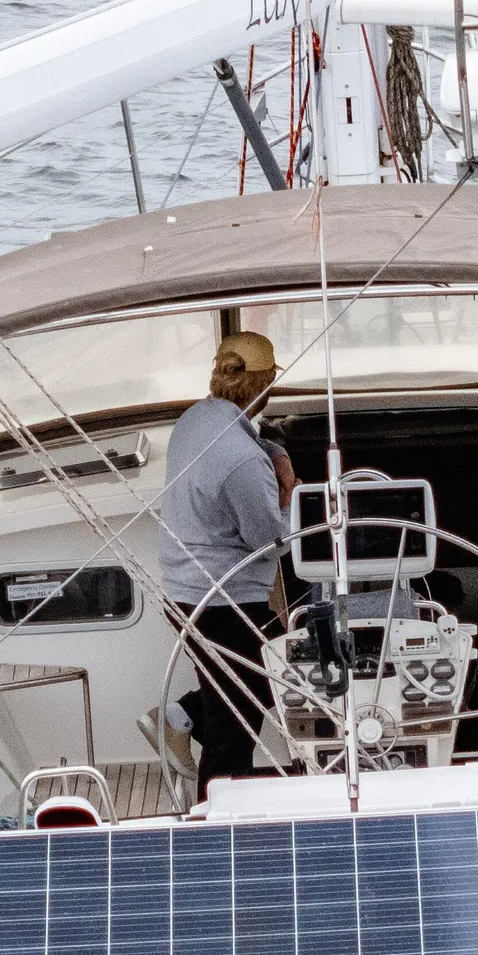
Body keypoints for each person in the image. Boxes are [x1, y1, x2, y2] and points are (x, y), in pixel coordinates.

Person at [157, 326, 295, 789]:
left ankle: (177, 715)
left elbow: (244, 454)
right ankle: (217, 822)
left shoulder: (195, 420)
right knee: (234, 729)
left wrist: (272, 452)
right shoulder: (241, 458)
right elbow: (269, 539)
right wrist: (290, 490)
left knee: (261, 683)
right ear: (265, 386)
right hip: (225, 602)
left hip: (186, 593)